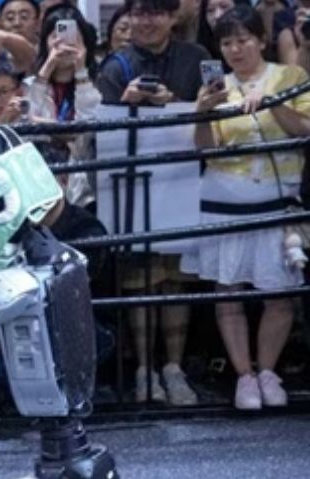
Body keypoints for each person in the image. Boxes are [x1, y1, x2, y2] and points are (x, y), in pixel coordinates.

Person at [191, 5, 310, 409]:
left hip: (278, 194)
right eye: (227, 42)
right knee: (228, 290)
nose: (235, 49)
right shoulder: (216, 86)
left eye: (243, 40)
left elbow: (304, 129)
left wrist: (273, 102)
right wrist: (202, 113)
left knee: (280, 290)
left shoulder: (290, 77)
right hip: (224, 194)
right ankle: (244, 376)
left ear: (261, 40)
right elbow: (205, 149)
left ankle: (269, 372)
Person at [97, 0, 208, 406]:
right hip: (131, 182)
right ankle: (145, 369)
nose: (147, 21)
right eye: (140, 13)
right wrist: (128, 102)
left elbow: (213, 105)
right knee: (140, 278)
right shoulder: (115, 66)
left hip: (184, 178)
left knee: (177, 277)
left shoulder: (196, 57)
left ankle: (174, 368)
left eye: (157, 12)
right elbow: (100, 123)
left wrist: (172, 100)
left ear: (173, 17)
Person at [28, 6, 100, 208]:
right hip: (40, 188)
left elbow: (89, 128)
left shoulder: (96, 84)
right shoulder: (31, 84)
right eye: (55, 37)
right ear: (45, 42)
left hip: (84, 191)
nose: (64, 44)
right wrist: (48, 66)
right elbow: (28, 124)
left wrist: (80, 69)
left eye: (73, 38)